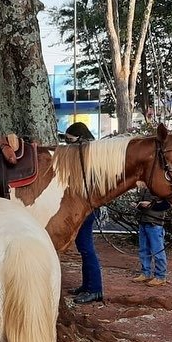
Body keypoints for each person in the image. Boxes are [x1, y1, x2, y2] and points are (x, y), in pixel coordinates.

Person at [65, 123, 104, 304]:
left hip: (87, 207)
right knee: (84, 248)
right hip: (85, 207)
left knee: (87, 248)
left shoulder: (89, 157)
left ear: (80, 139)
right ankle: (87, 285)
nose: (68, 144)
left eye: (71, 140)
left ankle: (95, 289)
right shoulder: (89, 155)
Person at [133, 183, 172, 287]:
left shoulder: (160, 187)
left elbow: (166, 205)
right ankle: (146, 273)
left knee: (158, 251)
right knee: (143, 249)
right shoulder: (144, 188)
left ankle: (161, 276)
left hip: (155, 224)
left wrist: (150, 205)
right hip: (143, 221)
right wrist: (137, 204)